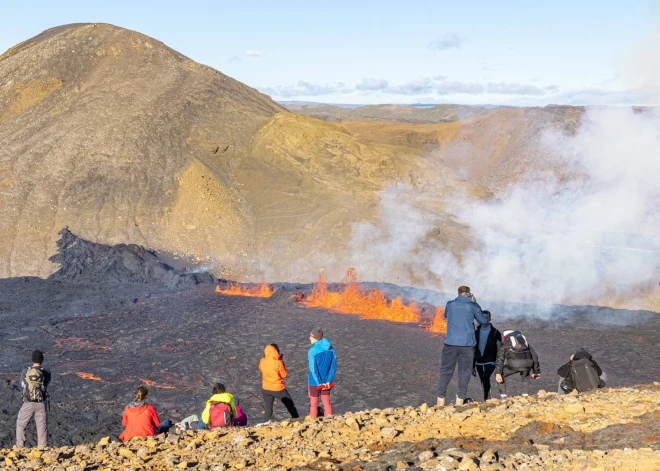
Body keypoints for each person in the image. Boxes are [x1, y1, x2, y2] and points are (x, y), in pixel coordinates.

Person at [436, 286, 488, 406]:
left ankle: (440, 401)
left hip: (450, 344)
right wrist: (476, 303)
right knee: (464, 373)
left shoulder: (450, 304)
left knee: (445, 371)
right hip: (467, 345)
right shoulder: (473, 306)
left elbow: (446, 316)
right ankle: (459, 401)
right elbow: (483, 321)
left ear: (458, 294)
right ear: (469, 294)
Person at [16, 350, 51, 448]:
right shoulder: (46, 371)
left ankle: (20, 447)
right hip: (41, 402)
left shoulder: (25, 371)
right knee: (41, 426)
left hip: (28, 402)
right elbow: (46, 384)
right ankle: (42, 447)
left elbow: (23, 385)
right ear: (42, 360)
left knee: (21, 424)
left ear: (32, 359)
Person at [259, 344, 299, 423]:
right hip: (278, 388)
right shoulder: (278, 362)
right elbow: (284, 375)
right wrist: (281, 361)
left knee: (268, 407)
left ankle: (265, 423)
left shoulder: (262, 361)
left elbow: (261, 368)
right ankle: (297, 420)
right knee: (290, 405)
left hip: (266, 388)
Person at [495, 330, 540, 398]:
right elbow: (535, 356)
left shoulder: (506, 342)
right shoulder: (525, 342)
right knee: (525, 375)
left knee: (500, 375)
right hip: (528, 364)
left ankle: (503, 397)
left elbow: (500, 358)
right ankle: (525, 395)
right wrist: (536, 371)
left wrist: (498, 372)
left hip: (514, 364)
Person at [308, 328, 337, 417]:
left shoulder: (312, 351)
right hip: (327, 382)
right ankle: (329, 421)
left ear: (315, 338)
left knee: (313, 404)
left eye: (311, 336)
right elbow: (333, 367)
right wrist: (328, 381)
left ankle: (312, 422)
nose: (309, 338)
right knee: (326, 402)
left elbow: (313, 369)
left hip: (314, 382)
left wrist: (319, 383)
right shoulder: (331, 349)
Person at [473, 311, 502, 401]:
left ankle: (488, 398)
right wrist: (472, 366)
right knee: (483, 380)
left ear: (490, 319)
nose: (485, 319)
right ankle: (487, 398)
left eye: (487, 317)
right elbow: (472, 349)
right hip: (479, 361)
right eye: (483, 317)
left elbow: (500, 350)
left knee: (486, 378)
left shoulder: (495, 333)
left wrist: (499, 367)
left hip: (491, 360)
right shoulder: (475, 332)